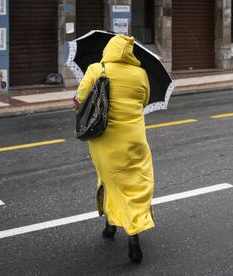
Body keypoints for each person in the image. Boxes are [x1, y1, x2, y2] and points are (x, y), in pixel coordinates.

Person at [74, 35, 154, 264]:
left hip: (104, 140)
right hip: (134, 139)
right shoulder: (141, 73)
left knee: (110, 180)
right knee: (135, 183)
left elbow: (80, 99)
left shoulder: (95, 69)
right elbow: (145, 100)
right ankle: (133, 233)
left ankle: (110, 225)